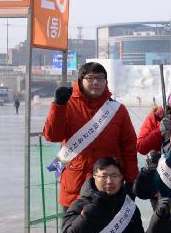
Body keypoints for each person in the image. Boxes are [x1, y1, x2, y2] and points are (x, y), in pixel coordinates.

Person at [43, 62, 138, 208]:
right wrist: (58, 105)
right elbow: (52, 136)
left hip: (109, 184)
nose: (96, 82)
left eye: (100, 79)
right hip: (75, 184)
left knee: (110, 229)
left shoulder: (118, 110)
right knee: (73, 230)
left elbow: (129, 148)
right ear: (80, 81)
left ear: (106, 82)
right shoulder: (67, 105)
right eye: (91, 78)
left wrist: (131, 180)